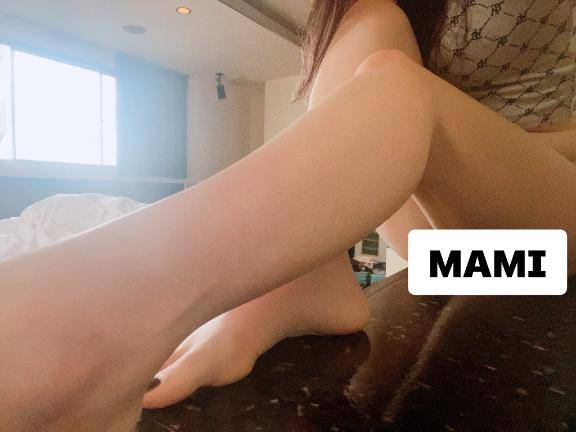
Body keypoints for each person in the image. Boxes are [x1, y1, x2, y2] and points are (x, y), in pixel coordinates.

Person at [1, 0, 575, 430]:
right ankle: (309, 273)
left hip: (548, 254)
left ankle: (84, 324)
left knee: (400, 84)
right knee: (369, 22)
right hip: (448, 260)